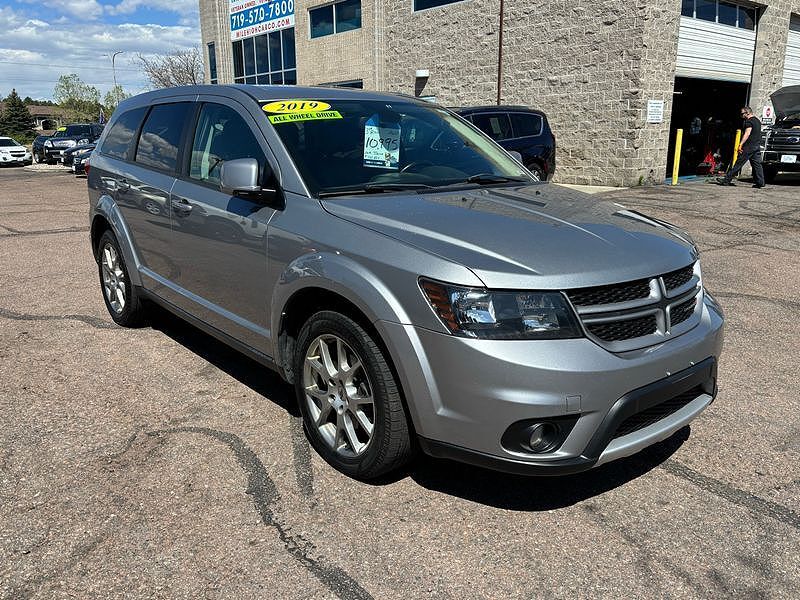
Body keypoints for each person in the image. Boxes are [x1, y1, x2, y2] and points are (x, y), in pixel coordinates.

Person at [716, 107, 765, 188]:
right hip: (756, 146)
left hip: (749, 146)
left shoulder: (749, 121)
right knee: (757, 165)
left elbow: (747, 133)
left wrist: (740, 144)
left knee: (738, 163)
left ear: (747, 113)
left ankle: (726, 180)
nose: (741, 115)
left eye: (742, 114)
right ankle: (760, 182)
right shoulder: (757, 121)